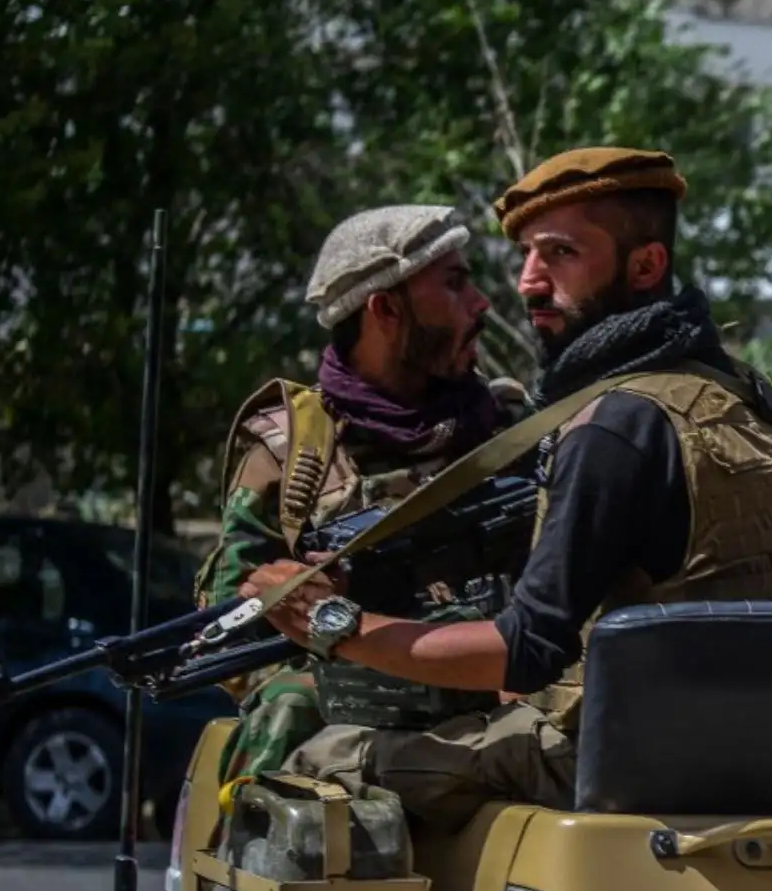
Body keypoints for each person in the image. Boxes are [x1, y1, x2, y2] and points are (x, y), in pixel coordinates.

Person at [241, 146, 772, 829]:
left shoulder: (614, 428)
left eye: (561, 253)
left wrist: (337, 625)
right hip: (765, 756)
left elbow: (528, 646)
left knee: (318, 759)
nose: (527, 282)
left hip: (616, 760)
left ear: (645, 265)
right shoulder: (751, 396)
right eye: (526, 255)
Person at [193, 204, 528, 788]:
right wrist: (319, 618)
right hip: (355, 712)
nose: (481, 303)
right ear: (385, 309)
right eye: (453, 284)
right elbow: (235, 634)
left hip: (500, 688)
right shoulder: (290, 452)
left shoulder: (509, 429)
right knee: (288, 710)